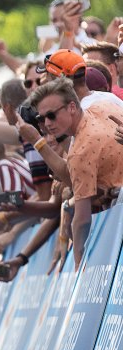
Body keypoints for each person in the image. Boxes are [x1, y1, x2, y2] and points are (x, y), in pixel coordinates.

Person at [26, 78, 123, 265]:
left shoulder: (80, 152)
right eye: (41, 118)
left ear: (72, 107)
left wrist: (79, 264)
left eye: (51, 115)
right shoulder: (102, 104)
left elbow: (82, 220)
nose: (47, 123)